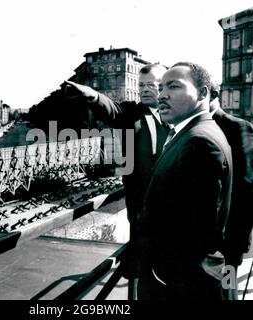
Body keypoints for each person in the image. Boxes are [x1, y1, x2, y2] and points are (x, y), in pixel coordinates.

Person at [63, 63, 169, 296]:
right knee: (145, 269)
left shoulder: (173, 115)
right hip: (141, 204)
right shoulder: (131, 113)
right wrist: (91, 95)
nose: (145, 90)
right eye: (141, 85)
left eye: (152, 84)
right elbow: (111, 109)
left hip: (171, 204)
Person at [139, 62, 233, 300]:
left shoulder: (198, 142)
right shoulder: (194, 133)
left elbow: (195, 231)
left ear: (203, 93)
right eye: (161, 88)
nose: (162, 95)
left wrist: (161, 275)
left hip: (179, 285)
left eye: (173, 87)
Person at [209, 80, 253, 299]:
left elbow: (250, 188)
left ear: (211, 94)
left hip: (227, 241)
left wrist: (237, 243)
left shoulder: (238, 127)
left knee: (227, 291)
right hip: (202, 240)